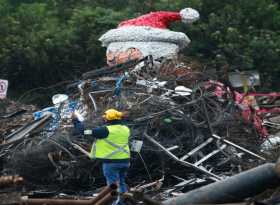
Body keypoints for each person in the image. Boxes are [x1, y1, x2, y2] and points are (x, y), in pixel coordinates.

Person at [72, 108, 130, 205]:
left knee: (112, 186)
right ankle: (125, 201)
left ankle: (116, 203)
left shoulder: (104, 131)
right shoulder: (125, 129)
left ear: (107, 119)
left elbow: (83, 131)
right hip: (125, 162)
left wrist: (75, 121)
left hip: (111, 164)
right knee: (122, 183)